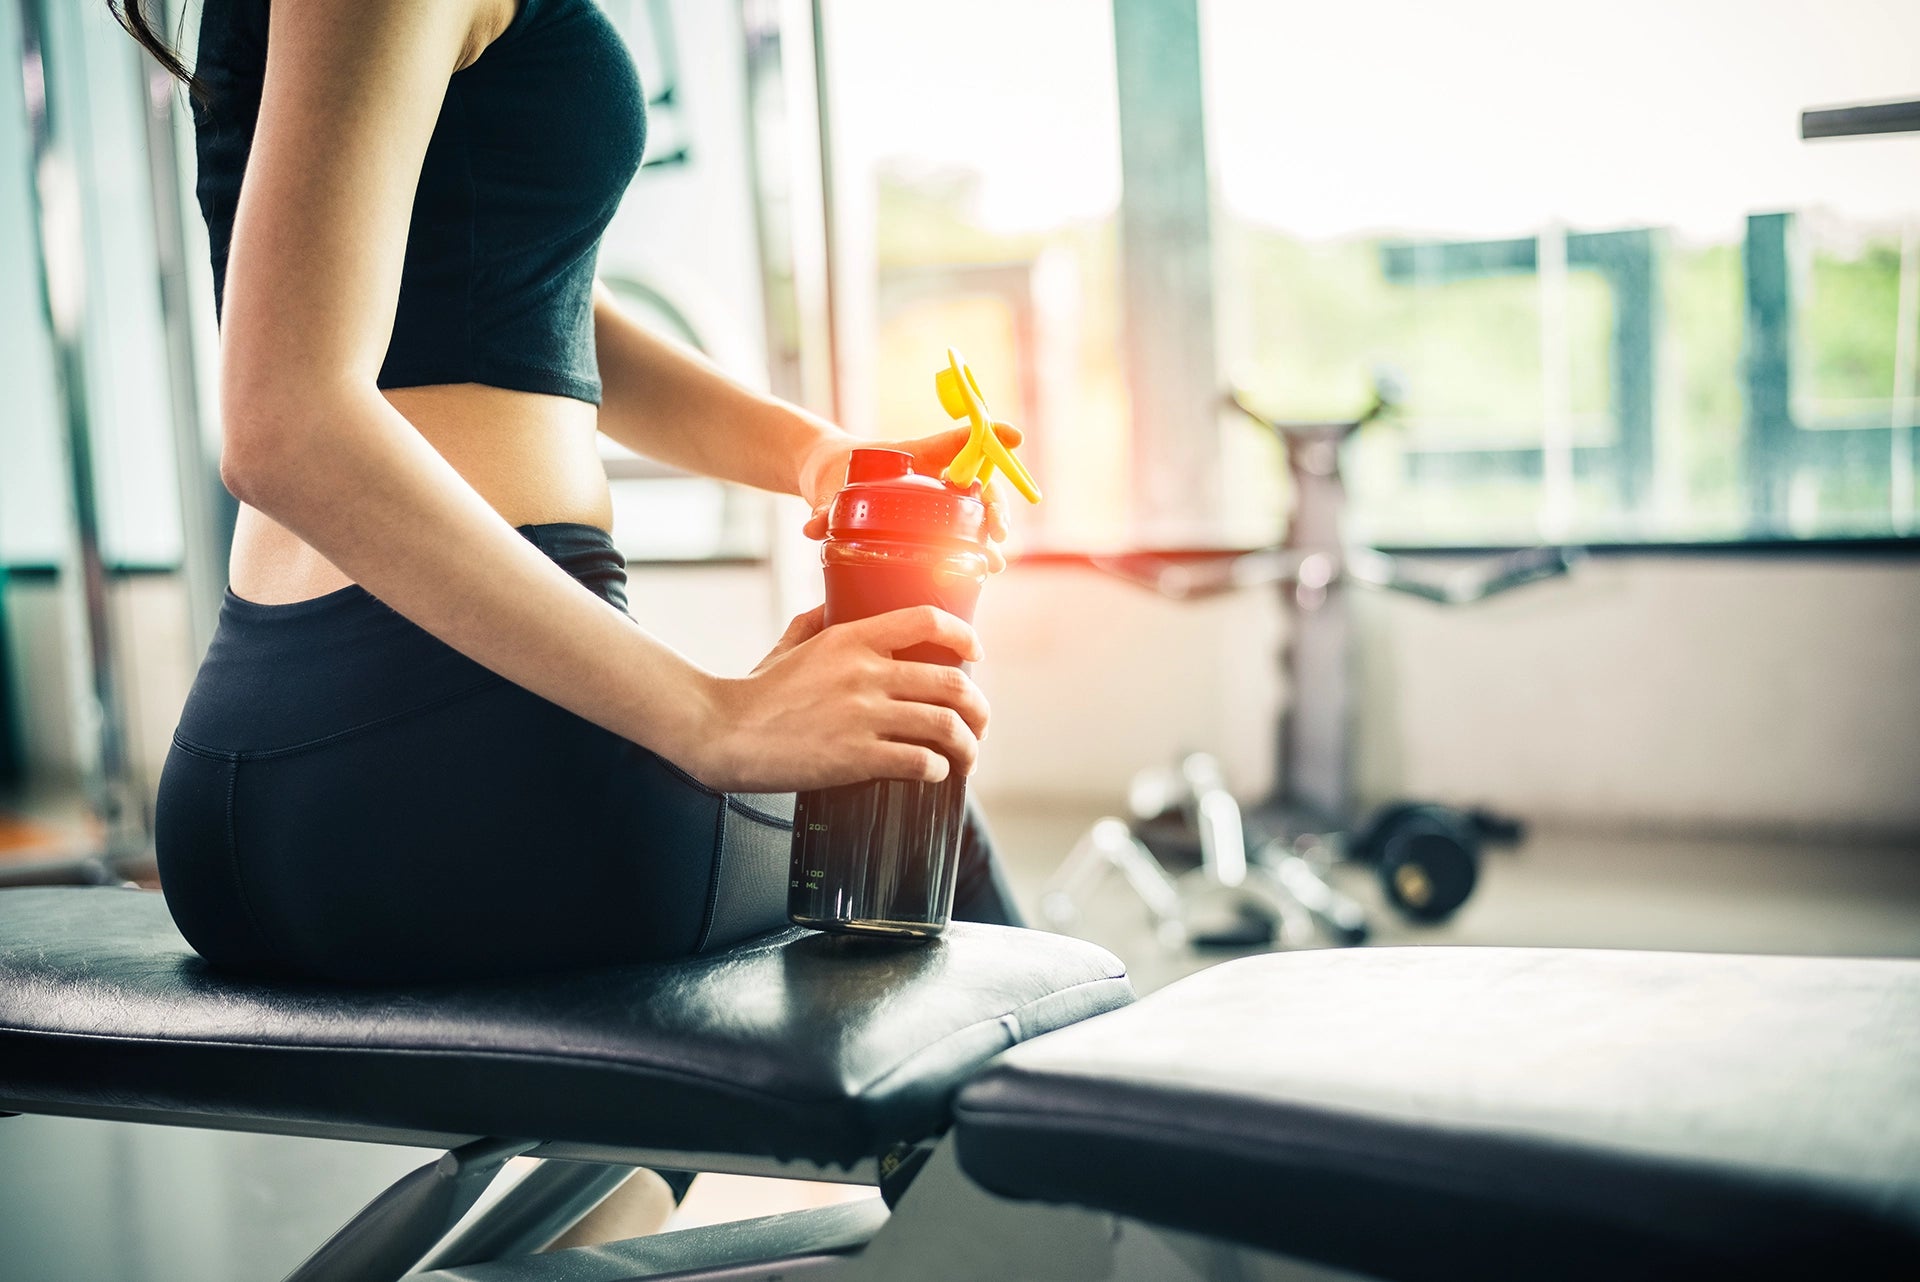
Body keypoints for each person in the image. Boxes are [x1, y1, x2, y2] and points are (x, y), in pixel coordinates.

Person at [110, 0, 1025, 984]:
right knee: (907, 779)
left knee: (892, 757)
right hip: (469, 782)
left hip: (249, 800)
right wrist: (715, 719)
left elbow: (521, 290)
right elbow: (284, 424)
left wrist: (815, 453)